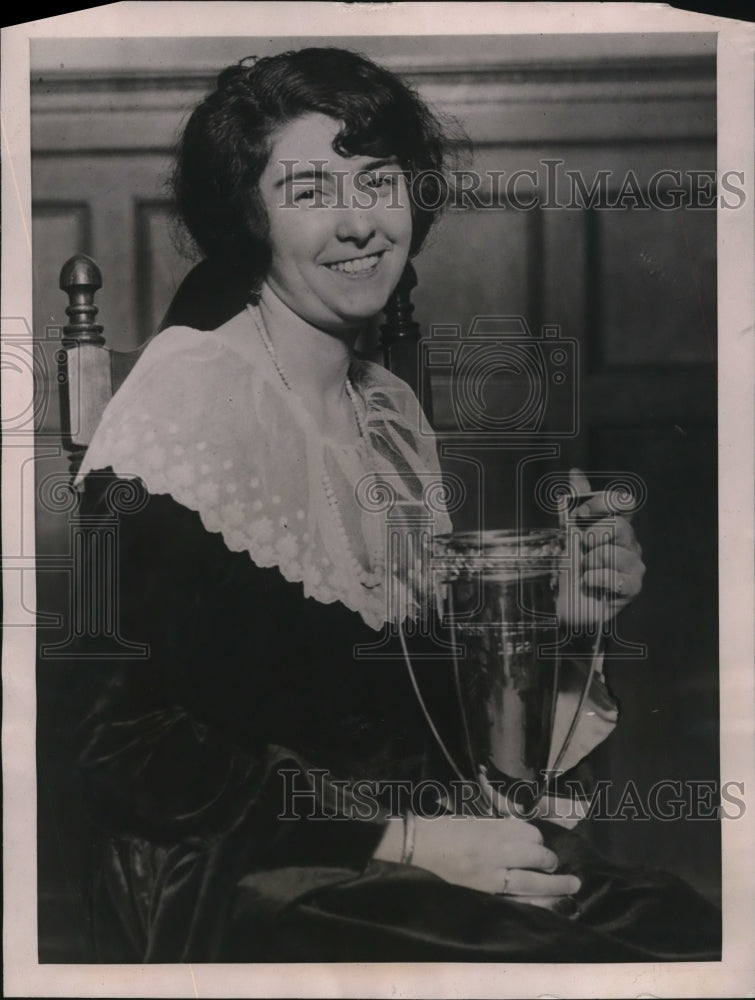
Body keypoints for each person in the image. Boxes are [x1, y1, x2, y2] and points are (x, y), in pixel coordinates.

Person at [71, 47, 719, 963]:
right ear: (249, 215)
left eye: (378, 182)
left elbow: (431, 736)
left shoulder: (391, 416)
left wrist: (567, 627)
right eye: (306, 191)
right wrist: (408, 844)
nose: (356, 225)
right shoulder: (189, 402)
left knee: (683, 928)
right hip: (254, 879)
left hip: (413, 848)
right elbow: (117, 744)